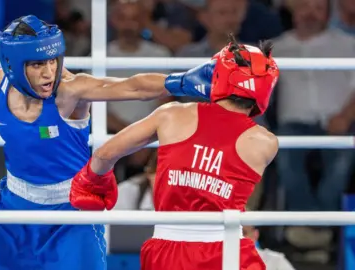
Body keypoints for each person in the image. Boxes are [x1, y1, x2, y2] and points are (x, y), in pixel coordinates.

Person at [0, 15, 215, 270]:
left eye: (52, 61)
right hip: (11, 209)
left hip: (70, 215)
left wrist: (180, 82)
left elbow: (131, 86)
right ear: (11, 64)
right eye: (37, 64)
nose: (49, 73)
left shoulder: (70, 91)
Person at [70, 34, 280, 270]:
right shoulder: (265, 143)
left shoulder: (171, 114)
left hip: (167, 250)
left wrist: (92, 181)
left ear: (216, 74)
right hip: (229, 250)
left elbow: (104, 154)